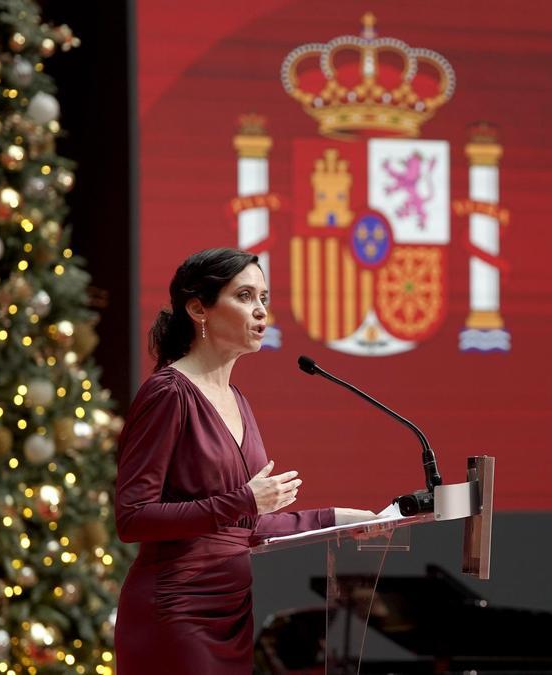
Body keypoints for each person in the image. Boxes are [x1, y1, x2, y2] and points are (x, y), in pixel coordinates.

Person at [114, 247, 376, 674]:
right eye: (244, 296)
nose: (260, 311)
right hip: (175, 611)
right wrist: (243, 500)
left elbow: (243, 527)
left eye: (264, 298)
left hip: (232, 615)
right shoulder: (168, 393)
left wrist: (338, 519)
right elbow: (132, 517)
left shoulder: (238, 401)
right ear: (198, 308)